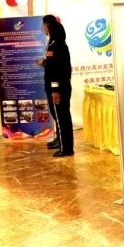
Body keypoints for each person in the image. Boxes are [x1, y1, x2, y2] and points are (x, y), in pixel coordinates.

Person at [36, 15, 73, 157]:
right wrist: (44, 62)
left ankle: (66, 148)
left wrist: (55, 89)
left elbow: (56, 72)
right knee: (62, 117)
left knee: (62, 118)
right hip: (62, 87)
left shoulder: (55, 46)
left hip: (58, 89)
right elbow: (56, 66)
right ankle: (65, 146)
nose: (43, 28)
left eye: (45, 26)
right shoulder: (59, 45)